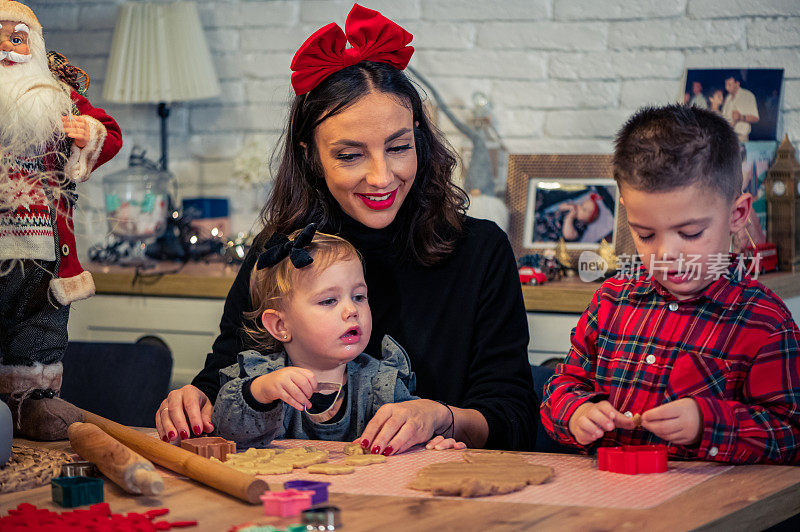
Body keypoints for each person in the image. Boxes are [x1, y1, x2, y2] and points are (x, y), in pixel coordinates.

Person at [157, 3, 537, 454]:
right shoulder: (281, 252)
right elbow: (226, 375)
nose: (381, 177)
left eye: (398, 147)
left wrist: (442, 416)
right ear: (310, 155)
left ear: (419, 137)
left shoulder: (480, 250)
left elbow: (513, 416)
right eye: (350, 155)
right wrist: (193, 400)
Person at [541, 104, 800, 464]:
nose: (666, 254)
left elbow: (790, 435)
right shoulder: (611, 301)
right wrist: (577, 412)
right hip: (605, 501)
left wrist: (705, 424)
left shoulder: (765, 322)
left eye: (690, 233)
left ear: (737, 215)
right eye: (645, 234)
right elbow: (561, 385)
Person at [212, 226, 466, 452]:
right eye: (329, 300)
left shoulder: (380, 383)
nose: (351, 310)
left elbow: (411, 431)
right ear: (280, 325)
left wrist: (433, 443)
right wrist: (261, 392)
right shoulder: (264, 378)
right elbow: (226, 428)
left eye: (358, 296)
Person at [0, 1, 122, 440]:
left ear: (34, 46)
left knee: (41, 324)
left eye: (17, 39)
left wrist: (90, 134)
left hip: (44, 251)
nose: (7, 50)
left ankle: (33, 403)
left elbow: (109, 130)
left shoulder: (57, 96)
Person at [722, 73, 759, 142]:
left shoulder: (748, 96)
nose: (726, 88)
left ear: (737, 84)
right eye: (726, 85)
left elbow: (755, 118)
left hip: (741, 138)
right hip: (728, 137)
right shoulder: (728, 98)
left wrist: (740, 117)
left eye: (729, 85)